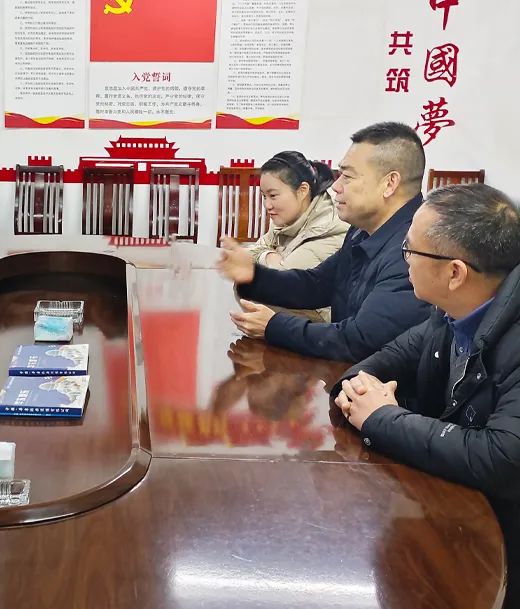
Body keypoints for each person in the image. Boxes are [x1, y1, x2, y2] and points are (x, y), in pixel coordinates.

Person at [331, 183, 520, 604]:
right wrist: (360, 392)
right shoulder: (451, 311)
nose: (404, 260)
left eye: (410, 250)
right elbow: (373, 365)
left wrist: (382, 418)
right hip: (454, 513)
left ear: (455, 273)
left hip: (498, 549)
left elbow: (503, 458)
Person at [218, 122, 431, 362]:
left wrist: (273, 326)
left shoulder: (416, 249)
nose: (335, 187)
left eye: (347, 176)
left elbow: (358, 341)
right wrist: (254, 276)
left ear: (389, 184)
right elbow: (317, 285)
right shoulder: (362, 230)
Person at [247, 151, 350, 321]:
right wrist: (269, 256)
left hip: (321, 327)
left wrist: (265, 259)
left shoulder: (329, 227)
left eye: (273, 196)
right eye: (264, 196)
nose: (267, 205)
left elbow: (280, 285)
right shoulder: (286, 217)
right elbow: (251, 253)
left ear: (302, 190)